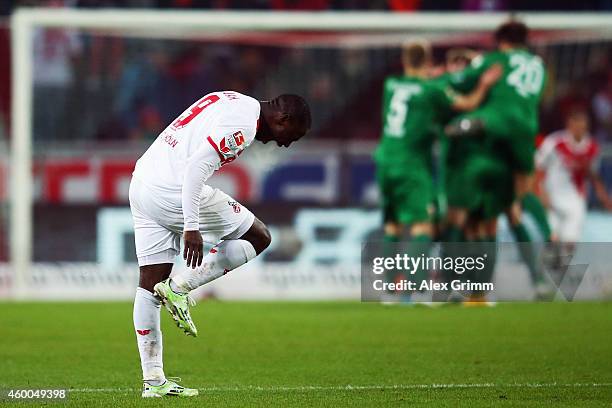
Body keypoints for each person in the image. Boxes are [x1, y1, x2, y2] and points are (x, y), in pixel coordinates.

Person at [129, 91, 311, 397]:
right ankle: (180, 288)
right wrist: (192, 226)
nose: (287, 143)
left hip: (143, 183)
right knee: (259, 236)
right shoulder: (245, 126)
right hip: (173, 190)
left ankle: (154, 382)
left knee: (149, 284)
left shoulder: (230, 99)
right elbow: (195, 169)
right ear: (283, 119)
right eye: (293, 135)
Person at [374, 40, 500, 301]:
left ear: (405, 60)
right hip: (410, 164)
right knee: (423, 227)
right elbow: (466, 103)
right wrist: (484, 85)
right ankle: (408, 293)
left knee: (392, 225)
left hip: (385, 159)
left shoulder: (390, 85)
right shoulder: (432, 90)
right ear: (429, 61)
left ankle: (389, 287)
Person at [443, 20, 547, 303]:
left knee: (471, 219)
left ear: (501, 40)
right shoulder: (538, 65)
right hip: (523, 132)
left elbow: (459, 82)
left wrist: (436, 76)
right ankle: (534, 277)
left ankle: (465, 288)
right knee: (509, 207)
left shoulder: (491, 64)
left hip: (484, 142)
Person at [537, 110, 612, 246]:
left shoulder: (592, 147)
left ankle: (562, 264)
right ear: (569, 125)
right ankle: (552, 259)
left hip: (576, 199)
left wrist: (604, 197)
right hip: (552, 196)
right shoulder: (554, 142)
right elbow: (538, 168)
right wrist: (541, 192)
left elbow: (593, 174)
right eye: (576, 125)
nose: (579, 130)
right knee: (552, 238)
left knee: (570, 240)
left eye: (583, 127)